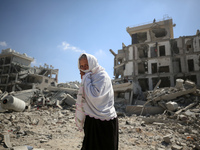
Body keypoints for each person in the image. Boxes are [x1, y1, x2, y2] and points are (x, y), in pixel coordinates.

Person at [75, 53, 118, 150]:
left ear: (92, 63)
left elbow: (95, 96)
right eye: (81, 66)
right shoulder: (89, 76)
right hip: (91, 119)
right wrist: (86, 78)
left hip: (106, 121)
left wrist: (85, 78)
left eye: (86, 65)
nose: (84, 68)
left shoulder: (102, 76)